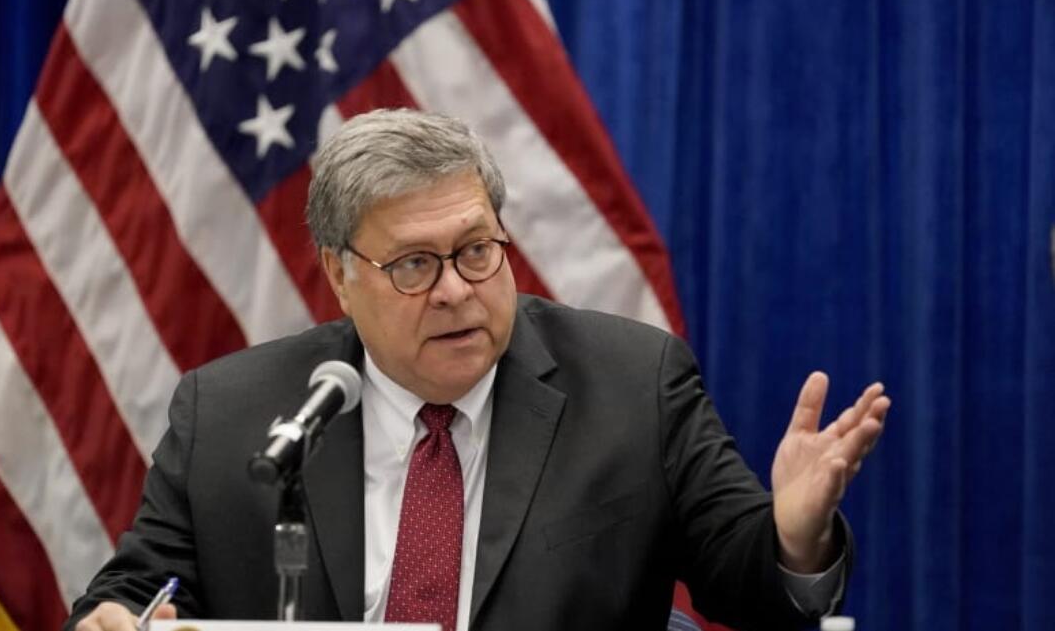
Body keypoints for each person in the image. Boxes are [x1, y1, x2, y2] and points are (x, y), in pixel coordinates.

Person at [69, 109, 889, 631]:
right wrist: (113, 620)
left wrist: (793, 532)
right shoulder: (237, 411)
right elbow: (140, 588)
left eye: (475, 250)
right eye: (416, 265)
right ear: (340, 275)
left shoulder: (633, 384)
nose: (457, 290)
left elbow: (749, 589)